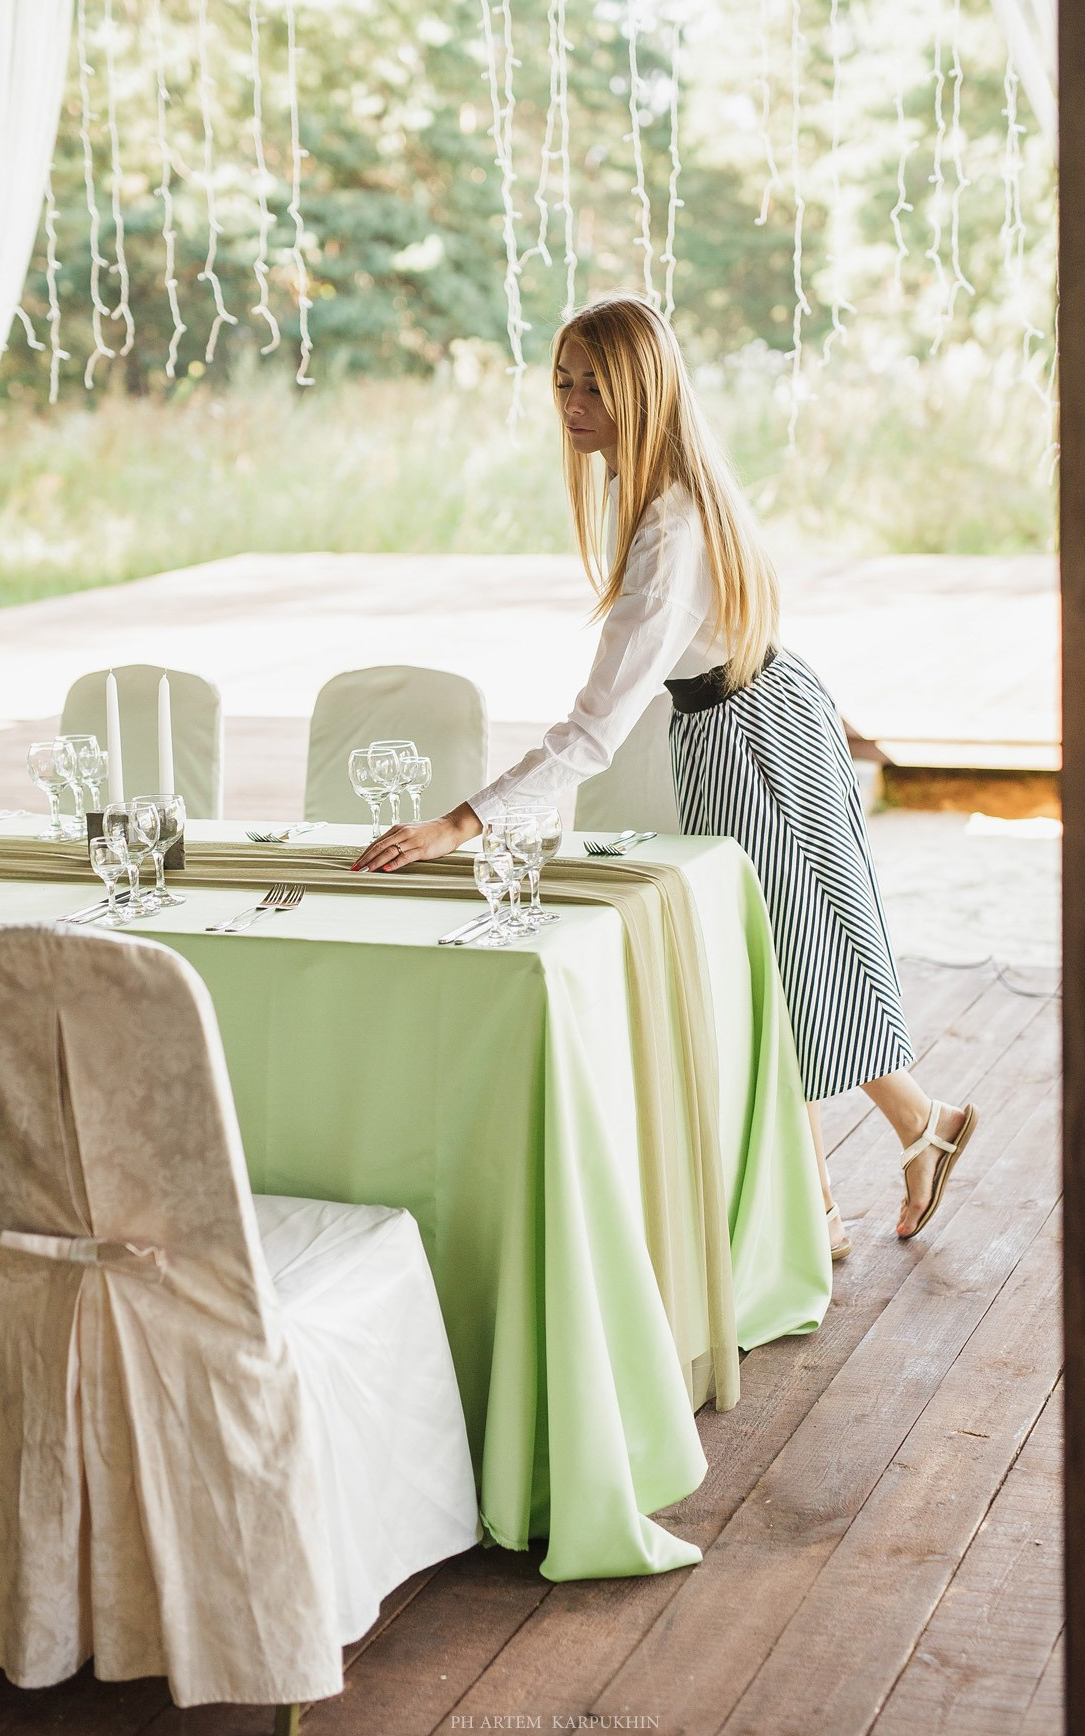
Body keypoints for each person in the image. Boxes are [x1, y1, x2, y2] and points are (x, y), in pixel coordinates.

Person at [355, 292, 976, 1248]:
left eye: (595, 383)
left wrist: (458, 822)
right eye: (562, 381)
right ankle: (886, 1152)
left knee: (777, 965)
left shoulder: (671, 525)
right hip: (757, 715)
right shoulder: (669, 487)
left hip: (750, 734)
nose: (572, 402)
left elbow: (593, 731)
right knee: (780, 959)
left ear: (641, 385)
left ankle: (846, 1185)